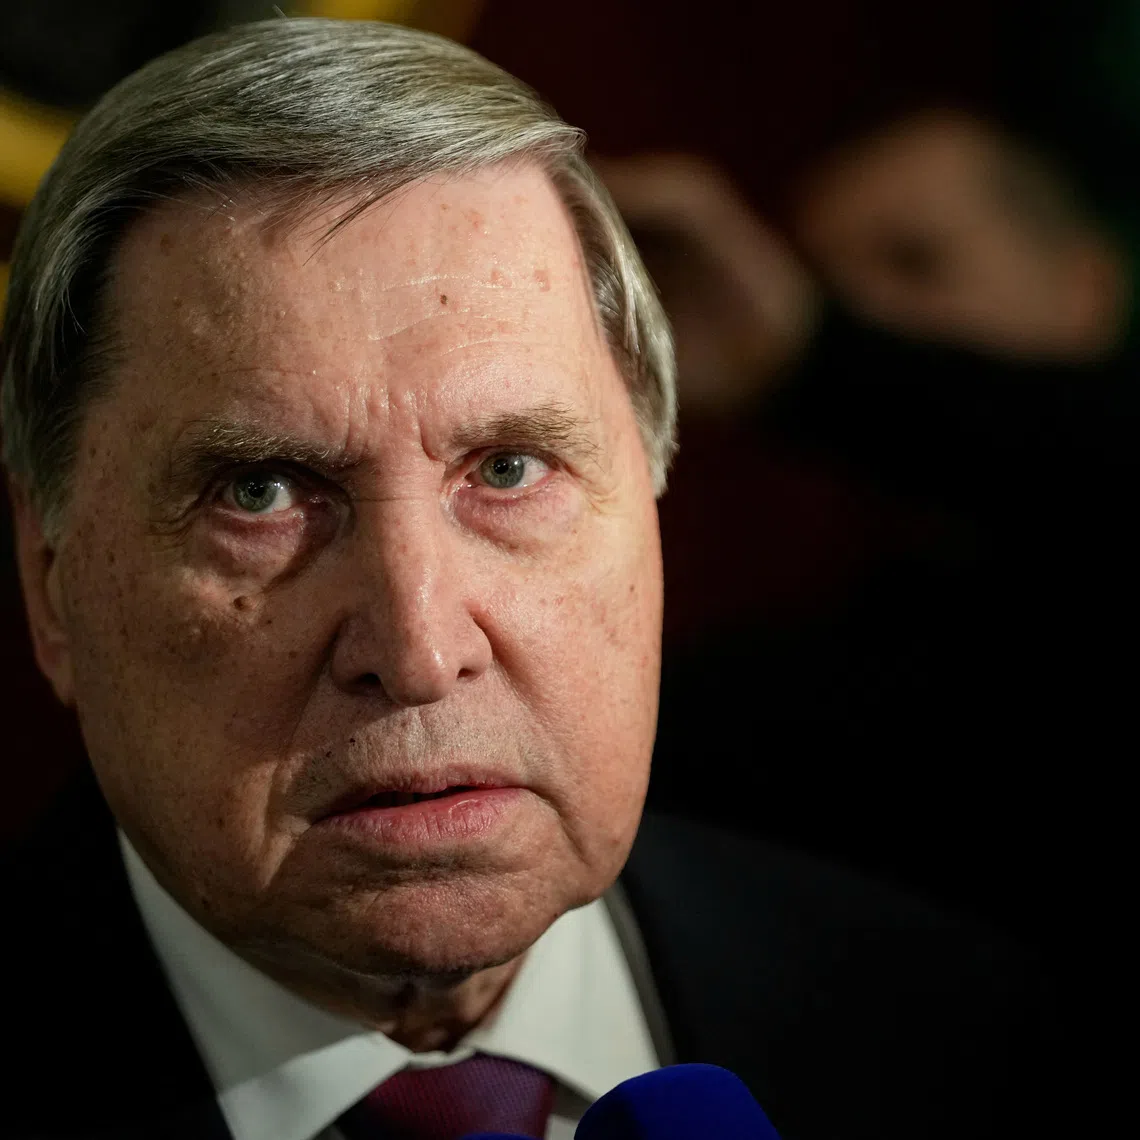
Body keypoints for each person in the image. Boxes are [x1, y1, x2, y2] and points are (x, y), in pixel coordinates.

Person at [1, 18, 1059, 1140]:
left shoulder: (968, 1041)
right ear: (54, 584)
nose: (418, 650)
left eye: (508, 470)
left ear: (653, 511)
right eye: (260, 492)